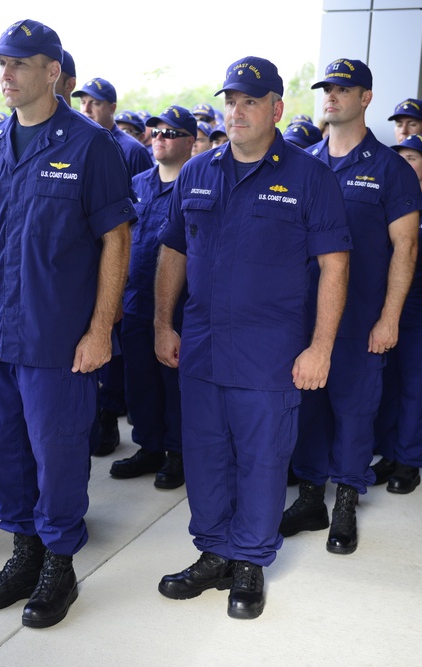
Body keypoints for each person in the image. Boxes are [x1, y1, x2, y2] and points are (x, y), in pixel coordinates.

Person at [156, 57, 350, 619]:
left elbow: (335, 267)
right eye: (230, 100)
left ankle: (249, 562)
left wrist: (321, 347)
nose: (236, 111)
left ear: (276, 110)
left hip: (271, 354)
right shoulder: (197, 171)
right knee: (206, 456)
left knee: (262, 460)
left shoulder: (309, 177)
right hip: (201, 348)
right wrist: (162, 323)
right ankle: (214, 551)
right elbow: (173, 251)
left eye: (249, 101)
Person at [0, 19, 134, 629]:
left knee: (57, 452)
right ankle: (24, 551)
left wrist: (100, 329)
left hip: (59, 335)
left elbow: (117, 241)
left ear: (52, 72)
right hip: (0, 332)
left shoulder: (91, 145)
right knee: (2, 448)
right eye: (1, 63)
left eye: (18, 63)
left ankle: (59, 562)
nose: (4, 74)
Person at [282, 58, 420, 555]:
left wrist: (390, 317)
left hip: (361, 316)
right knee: (308, 406)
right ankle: (312, 497)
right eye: (327, 89)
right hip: (305, 315)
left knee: (355, 409)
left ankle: (345, 500)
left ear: (366, 98)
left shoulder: (390, 169)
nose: (331, 97)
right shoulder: (303, 163)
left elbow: (406, 248)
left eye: (343, 89)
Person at [110, 105, 196, 490]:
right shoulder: (139, 183)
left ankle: (178, 452)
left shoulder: (196, 186)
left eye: (170, 132)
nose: (159, 138)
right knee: (139, 380)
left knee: (174, 384)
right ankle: (149, 446)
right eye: (156, 131)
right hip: (134, 303)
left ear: (191, 142)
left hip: (177, 307)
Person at [72, 76, 152, 455]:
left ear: (112, 108)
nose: (87, 108)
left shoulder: (130, 149)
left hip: (113, 261)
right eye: (83, 102)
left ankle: (109, 417)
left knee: (111, 355)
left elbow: (129, 222)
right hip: (81, 271)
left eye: (95, 103)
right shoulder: (74, 141)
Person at [372, 134, 422, 494]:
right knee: (387, 382)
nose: (404, 163)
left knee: (419, 383)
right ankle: (388, 452)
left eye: (413, 158)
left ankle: (409, 459)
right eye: (399, 156)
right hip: (385, 301)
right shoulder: (385, 197)